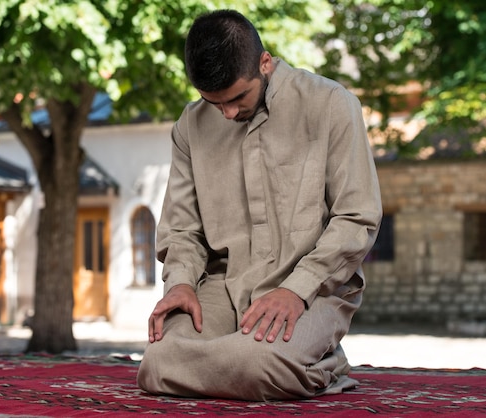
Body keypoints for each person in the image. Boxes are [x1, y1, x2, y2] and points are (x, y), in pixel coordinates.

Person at [136, 9, 382, 401]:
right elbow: (182, 227)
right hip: (223, 286)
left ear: (265, 63)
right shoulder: (189, 125)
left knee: (259, 364)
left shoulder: (331, 105)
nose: (228, 113)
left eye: (236, 98)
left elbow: (357, 217)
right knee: (158, 363)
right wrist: (181, 283)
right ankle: (279, 358)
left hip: (313, 290)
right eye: (214, 103)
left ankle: (319, 362)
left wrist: (296, 290)